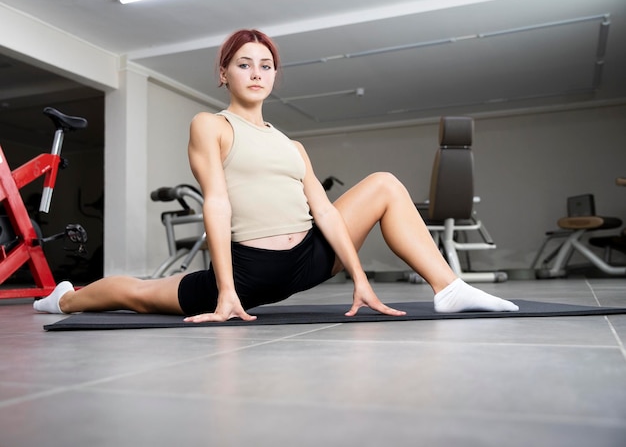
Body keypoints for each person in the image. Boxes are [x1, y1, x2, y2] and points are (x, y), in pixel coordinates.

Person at [34, 29, 518, 322]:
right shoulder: (212, 125)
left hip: (308, 259)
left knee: (386, 184)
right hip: (248, 273)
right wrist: (225, 289)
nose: (256, 72)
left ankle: (449, 289)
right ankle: (65, 300)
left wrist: (359, 279)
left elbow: (326, 211)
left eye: (265, 65)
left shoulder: (293, 145)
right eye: (244, 64)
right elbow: (216, 203)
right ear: (224, 73)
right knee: (137, 294)